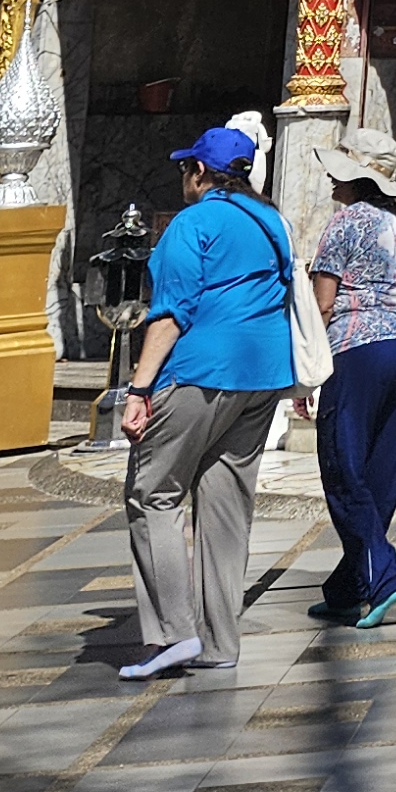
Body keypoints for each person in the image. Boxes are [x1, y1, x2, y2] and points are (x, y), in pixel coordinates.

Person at [116, 123, 299, 681]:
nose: (183, 179)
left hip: (200, 371)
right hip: (263, 373)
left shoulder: (191, 223)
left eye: (185, 169)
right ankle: (221, 639)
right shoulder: (273, 220)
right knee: (225, 506)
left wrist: (140, 388)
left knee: (153, 495)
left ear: (200, 173)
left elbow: (170, 312)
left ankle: (175, 632)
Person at [306, 123, 396, 630]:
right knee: (381, 470)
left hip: (358, 349)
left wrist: (307, 371)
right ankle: (349, 584)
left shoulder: (345, 224)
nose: (333, 183)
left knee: (343, 465)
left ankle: (383, 575)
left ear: (358, 179)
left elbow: (322, 302)